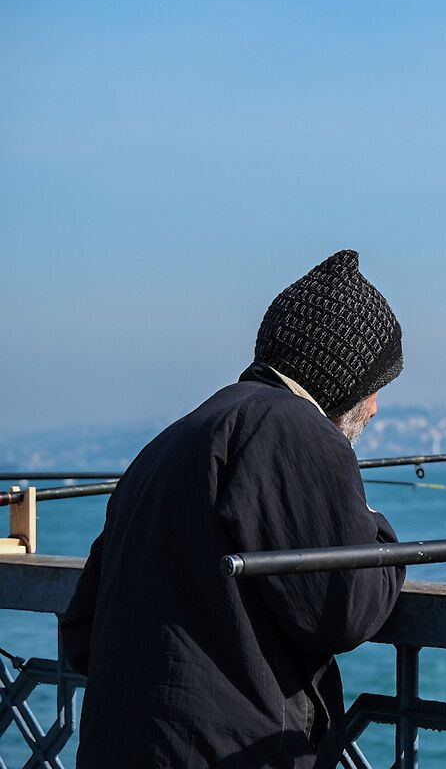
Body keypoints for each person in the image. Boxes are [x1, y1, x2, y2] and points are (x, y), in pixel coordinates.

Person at [60, 249, 406, 768]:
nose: (376, 405)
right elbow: (343, 608)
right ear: (342, 376)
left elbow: (81, 631)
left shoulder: (173, 439)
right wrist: (379, 534)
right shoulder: (292, 429)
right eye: (375, 384)